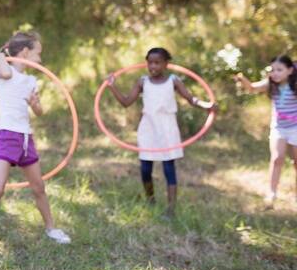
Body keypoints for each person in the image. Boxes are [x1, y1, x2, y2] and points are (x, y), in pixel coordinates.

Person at [0, 32, 71, 257]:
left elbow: (39, 111)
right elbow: (6, 71)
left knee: (39, 188)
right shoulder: (4, 71)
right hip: (6, 135)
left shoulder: (32, 80)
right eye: (38, 53)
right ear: (25, 52)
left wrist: (35, 105)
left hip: (26, 137)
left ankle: (51, 228)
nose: (40, 59)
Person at [106, 47, 213, 218]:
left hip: (168, 128)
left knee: (169, 168)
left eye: (157, 63)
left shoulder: (174, 80)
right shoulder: (143, 82)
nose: (153, 66)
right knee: (145, 169)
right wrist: (112, 86)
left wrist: (206, 105)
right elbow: (126, 102)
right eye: (150, 63)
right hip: (148, 128)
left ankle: (171, 209)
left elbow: (190, 98)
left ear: (166, 64)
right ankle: (150, 200)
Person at [235, 54, 297, 209]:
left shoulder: (294, 85)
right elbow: (252, 88)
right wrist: (243, 81)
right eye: (272, 70)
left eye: (279, 70)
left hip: (295, 127)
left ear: (290, 71)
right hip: (279, 128)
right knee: (277, 158)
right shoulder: (271, 84)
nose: (275, 73)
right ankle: (272, 193)